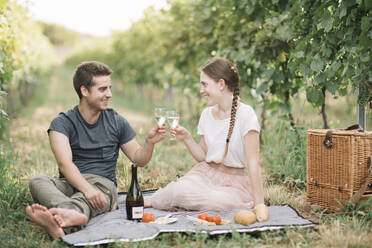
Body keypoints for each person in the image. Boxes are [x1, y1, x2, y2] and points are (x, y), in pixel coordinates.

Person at [26, 61, 166, 239]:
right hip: (71, 182)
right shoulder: (61, 123)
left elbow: (139, 160)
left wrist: (149, 143)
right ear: (84, 91)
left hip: (103, 185)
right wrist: (86, 189)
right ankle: (68, 214)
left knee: (95, 196)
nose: (109, 94)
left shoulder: (116, 121)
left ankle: (61, 220)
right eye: (102, 89)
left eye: (109, 88)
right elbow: (65, 164)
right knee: (38, 181)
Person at [145, 57, 268, 222]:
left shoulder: (246, 115)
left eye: (204, 84)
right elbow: (203, 157)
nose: (201, 90)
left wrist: (259, 203)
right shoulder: (206, 114)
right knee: (179, 191)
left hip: (234, 185)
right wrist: (187, 137)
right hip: (205, 176)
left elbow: (253, 163)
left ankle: (183, 201)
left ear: (221, 84)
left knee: (217, 201)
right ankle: (158, 199)